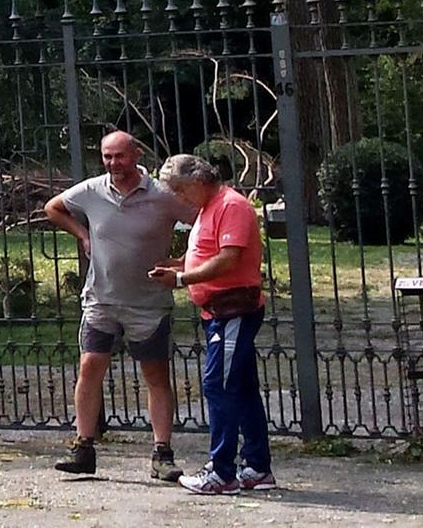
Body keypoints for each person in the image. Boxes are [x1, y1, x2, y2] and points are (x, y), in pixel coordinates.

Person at [43, 131, 197, 478]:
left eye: (120, 156)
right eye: (108, 157)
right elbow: (53, 208)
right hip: (101, 299)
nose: (114, 164)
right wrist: (82, 235)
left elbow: (202, 219)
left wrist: (185, 260)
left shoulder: (162, 194)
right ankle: (83, 447)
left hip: (149, 304)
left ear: (136, 155)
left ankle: (162, 454)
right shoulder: (92, 190)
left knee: (155, 376)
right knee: (90, 367)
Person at [149, 153, 274, 494]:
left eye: (179, 190)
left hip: (232, 311)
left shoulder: (230, 206)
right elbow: (209, 252)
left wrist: (181, 279)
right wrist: (178, 264)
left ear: (198, 182)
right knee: (243, 388)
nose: (178, 198)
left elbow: (228, 258)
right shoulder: (211, 207)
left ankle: (221, 472)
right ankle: (257, 467)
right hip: (219, 311)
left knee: (218, 386)